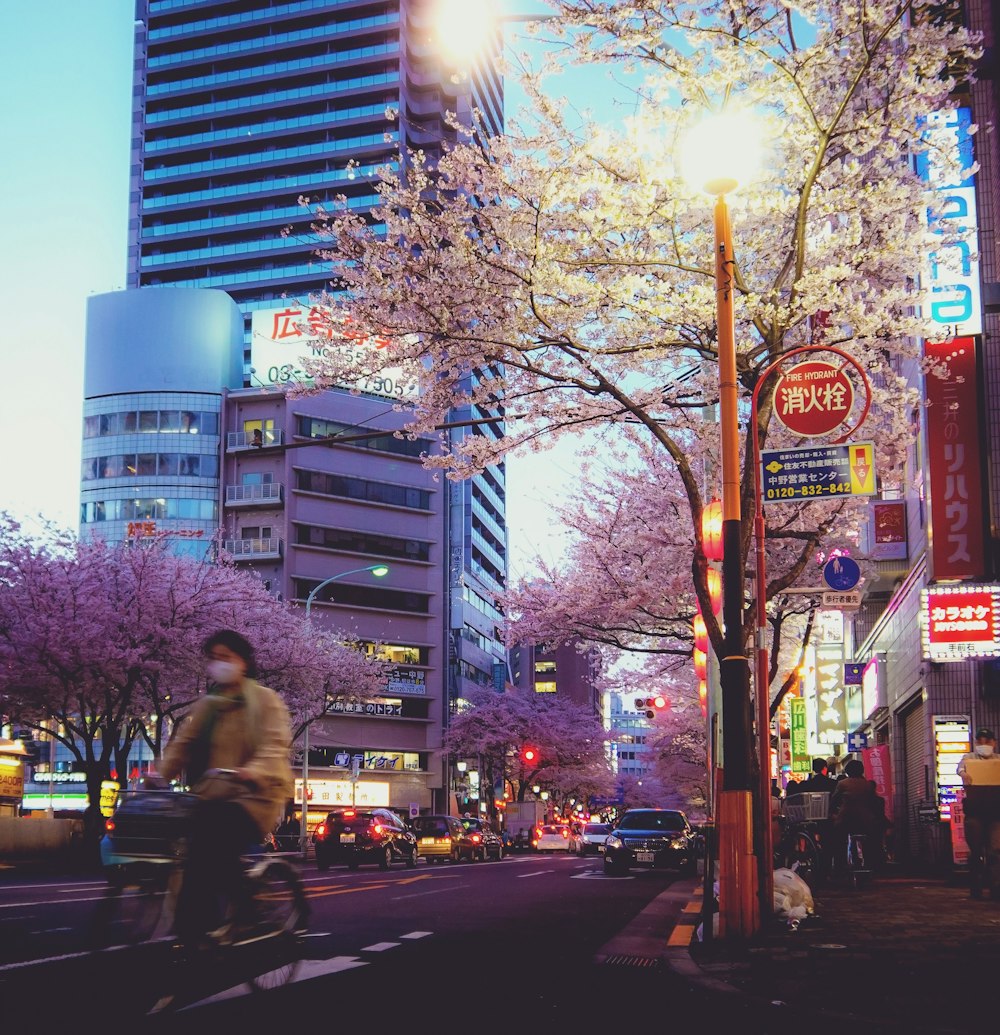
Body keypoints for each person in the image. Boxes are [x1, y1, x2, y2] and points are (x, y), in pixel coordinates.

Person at [157, 629, 294, 948]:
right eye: (214, 658)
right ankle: (195, 928)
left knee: (216, 839)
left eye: (226, 658)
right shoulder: (209, 704)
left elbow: (275, 745)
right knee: (190, 852)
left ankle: (244, 910)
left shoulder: (265, 700)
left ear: (243, 662)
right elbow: (184, 744)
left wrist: (252, 771)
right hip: (214, 793)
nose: (219, 664)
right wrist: (159, 775)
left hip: (256, 796)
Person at [957, 727, 1000, 899]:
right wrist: (964, 774)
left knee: (995, 851)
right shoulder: (969, 758)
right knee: (976, 852)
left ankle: (996, 887)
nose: (984, 744)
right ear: (975, 743)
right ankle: (976, 887)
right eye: (980, 741)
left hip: (996, 814)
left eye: (987, 741)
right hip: (974, 813)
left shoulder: (998, 760)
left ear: (994, 743)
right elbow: (960, 769)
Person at [830, 758, 887, 874]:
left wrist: (833, 813)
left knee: (838, 840)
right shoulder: (868, 785)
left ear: (847, 771)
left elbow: (834, 801)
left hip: (846, 818)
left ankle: (839, 866)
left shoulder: (842, 783)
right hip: (866, 820)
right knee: (869, 840)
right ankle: (870, 864)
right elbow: (873, 802)